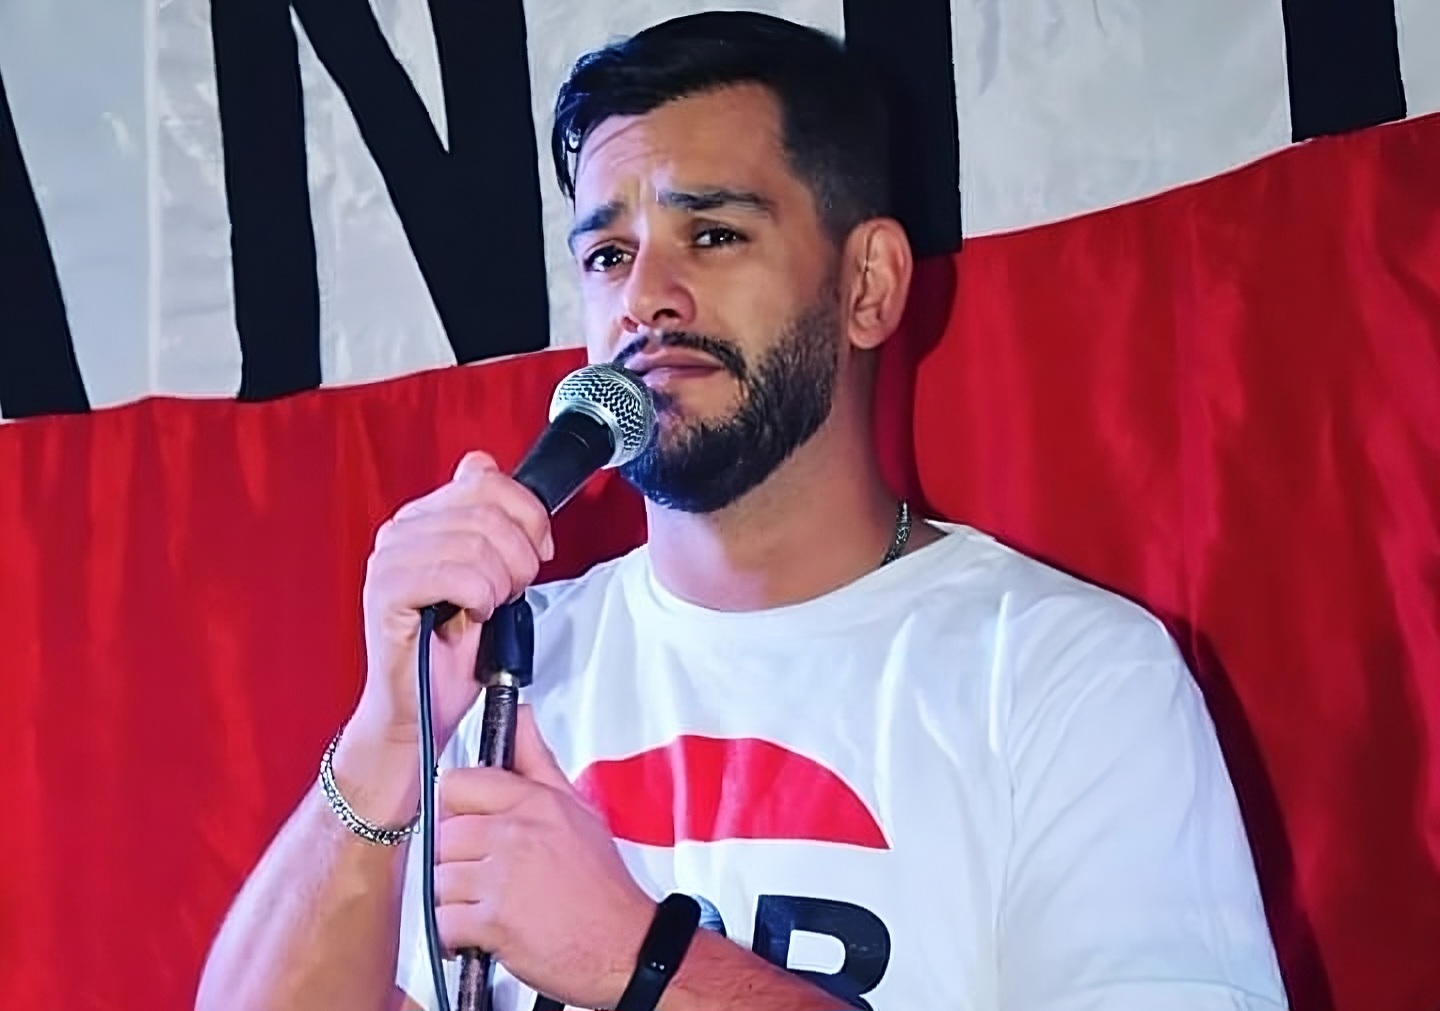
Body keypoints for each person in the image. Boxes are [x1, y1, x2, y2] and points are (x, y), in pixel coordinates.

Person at [197, 11, 1288, 1011]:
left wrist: (639, 958)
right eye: (609, 256)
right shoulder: (504, 676)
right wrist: (391, 735)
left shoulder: (1064, 673)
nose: (645, 298)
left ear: (868, 285)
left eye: (713, 235)